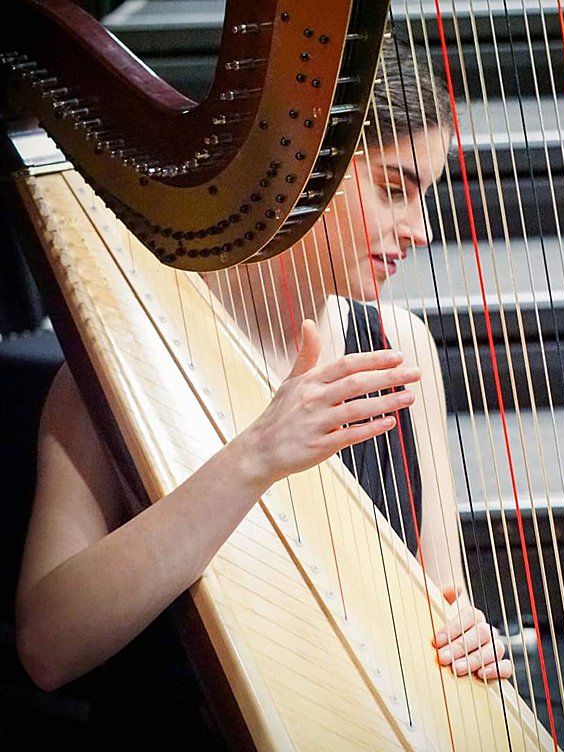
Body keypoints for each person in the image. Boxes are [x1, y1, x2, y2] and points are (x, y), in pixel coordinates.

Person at [14, 37, 512, 728]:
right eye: (394, 188)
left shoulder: (401, 349)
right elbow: (48, 647)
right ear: (306, 173)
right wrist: (256, 456)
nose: (420, 229)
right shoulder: (116, 363)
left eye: (423, 195)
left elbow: (440, 603)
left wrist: (468, 637)